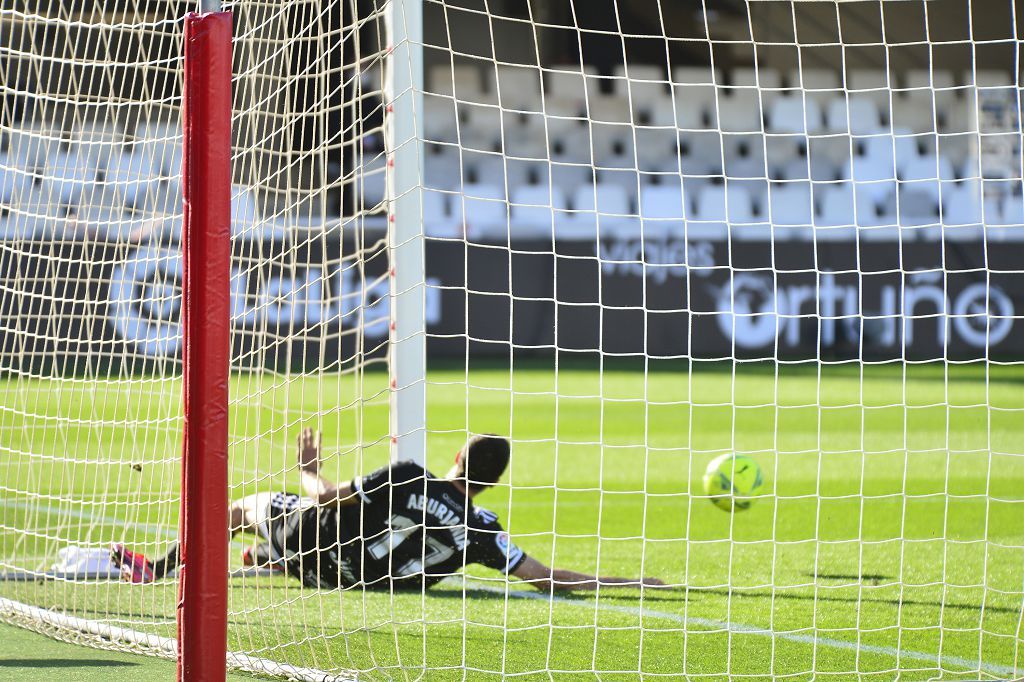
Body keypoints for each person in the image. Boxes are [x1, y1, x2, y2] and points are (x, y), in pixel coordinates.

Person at [111, 429, 664, 592]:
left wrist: (309, 465)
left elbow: (324, 495)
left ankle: (156, 570)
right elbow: (546, 579)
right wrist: (629, 579)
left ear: (455, 459)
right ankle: (271, 559)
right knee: (317, 540)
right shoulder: (483, 529)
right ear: (493, 484)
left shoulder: (409, 475)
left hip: (318, 544)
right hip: (353, 582)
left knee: (243, 507)